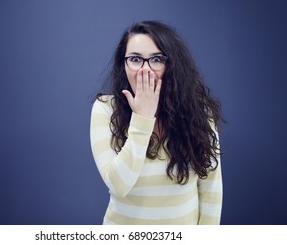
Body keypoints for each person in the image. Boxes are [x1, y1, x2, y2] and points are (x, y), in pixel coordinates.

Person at [90, 20, 223, 225]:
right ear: (123, 64)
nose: (146, 70)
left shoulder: (199, 111)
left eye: (157, 59)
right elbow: (119, 185)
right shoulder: (105, 109)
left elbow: (211, 191)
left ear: (171, 64)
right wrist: (143, 119)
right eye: (135, 59)